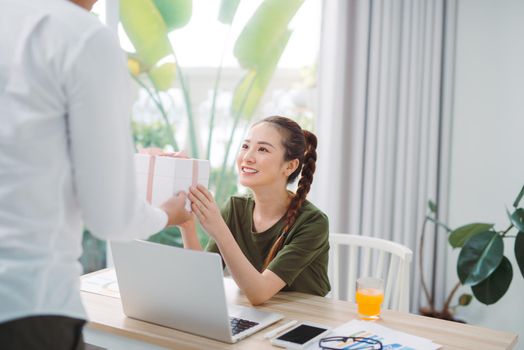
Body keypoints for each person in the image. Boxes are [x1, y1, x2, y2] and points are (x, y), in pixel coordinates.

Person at [0, 0, 191, 349]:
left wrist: (126, 162)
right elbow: (111, 218)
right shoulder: (80, 36)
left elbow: (25, 157)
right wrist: (167, 214)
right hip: (28, 307)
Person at [179, 116, 330, 305]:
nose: (247, 157)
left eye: (263, 149)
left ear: (290, 166)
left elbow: (259, 293)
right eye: (245, 146)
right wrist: (186, 225)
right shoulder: (236, 207)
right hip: (258, 316)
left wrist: (219, 229)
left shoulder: (313, 222)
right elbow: (202, 282)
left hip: (307, 320)